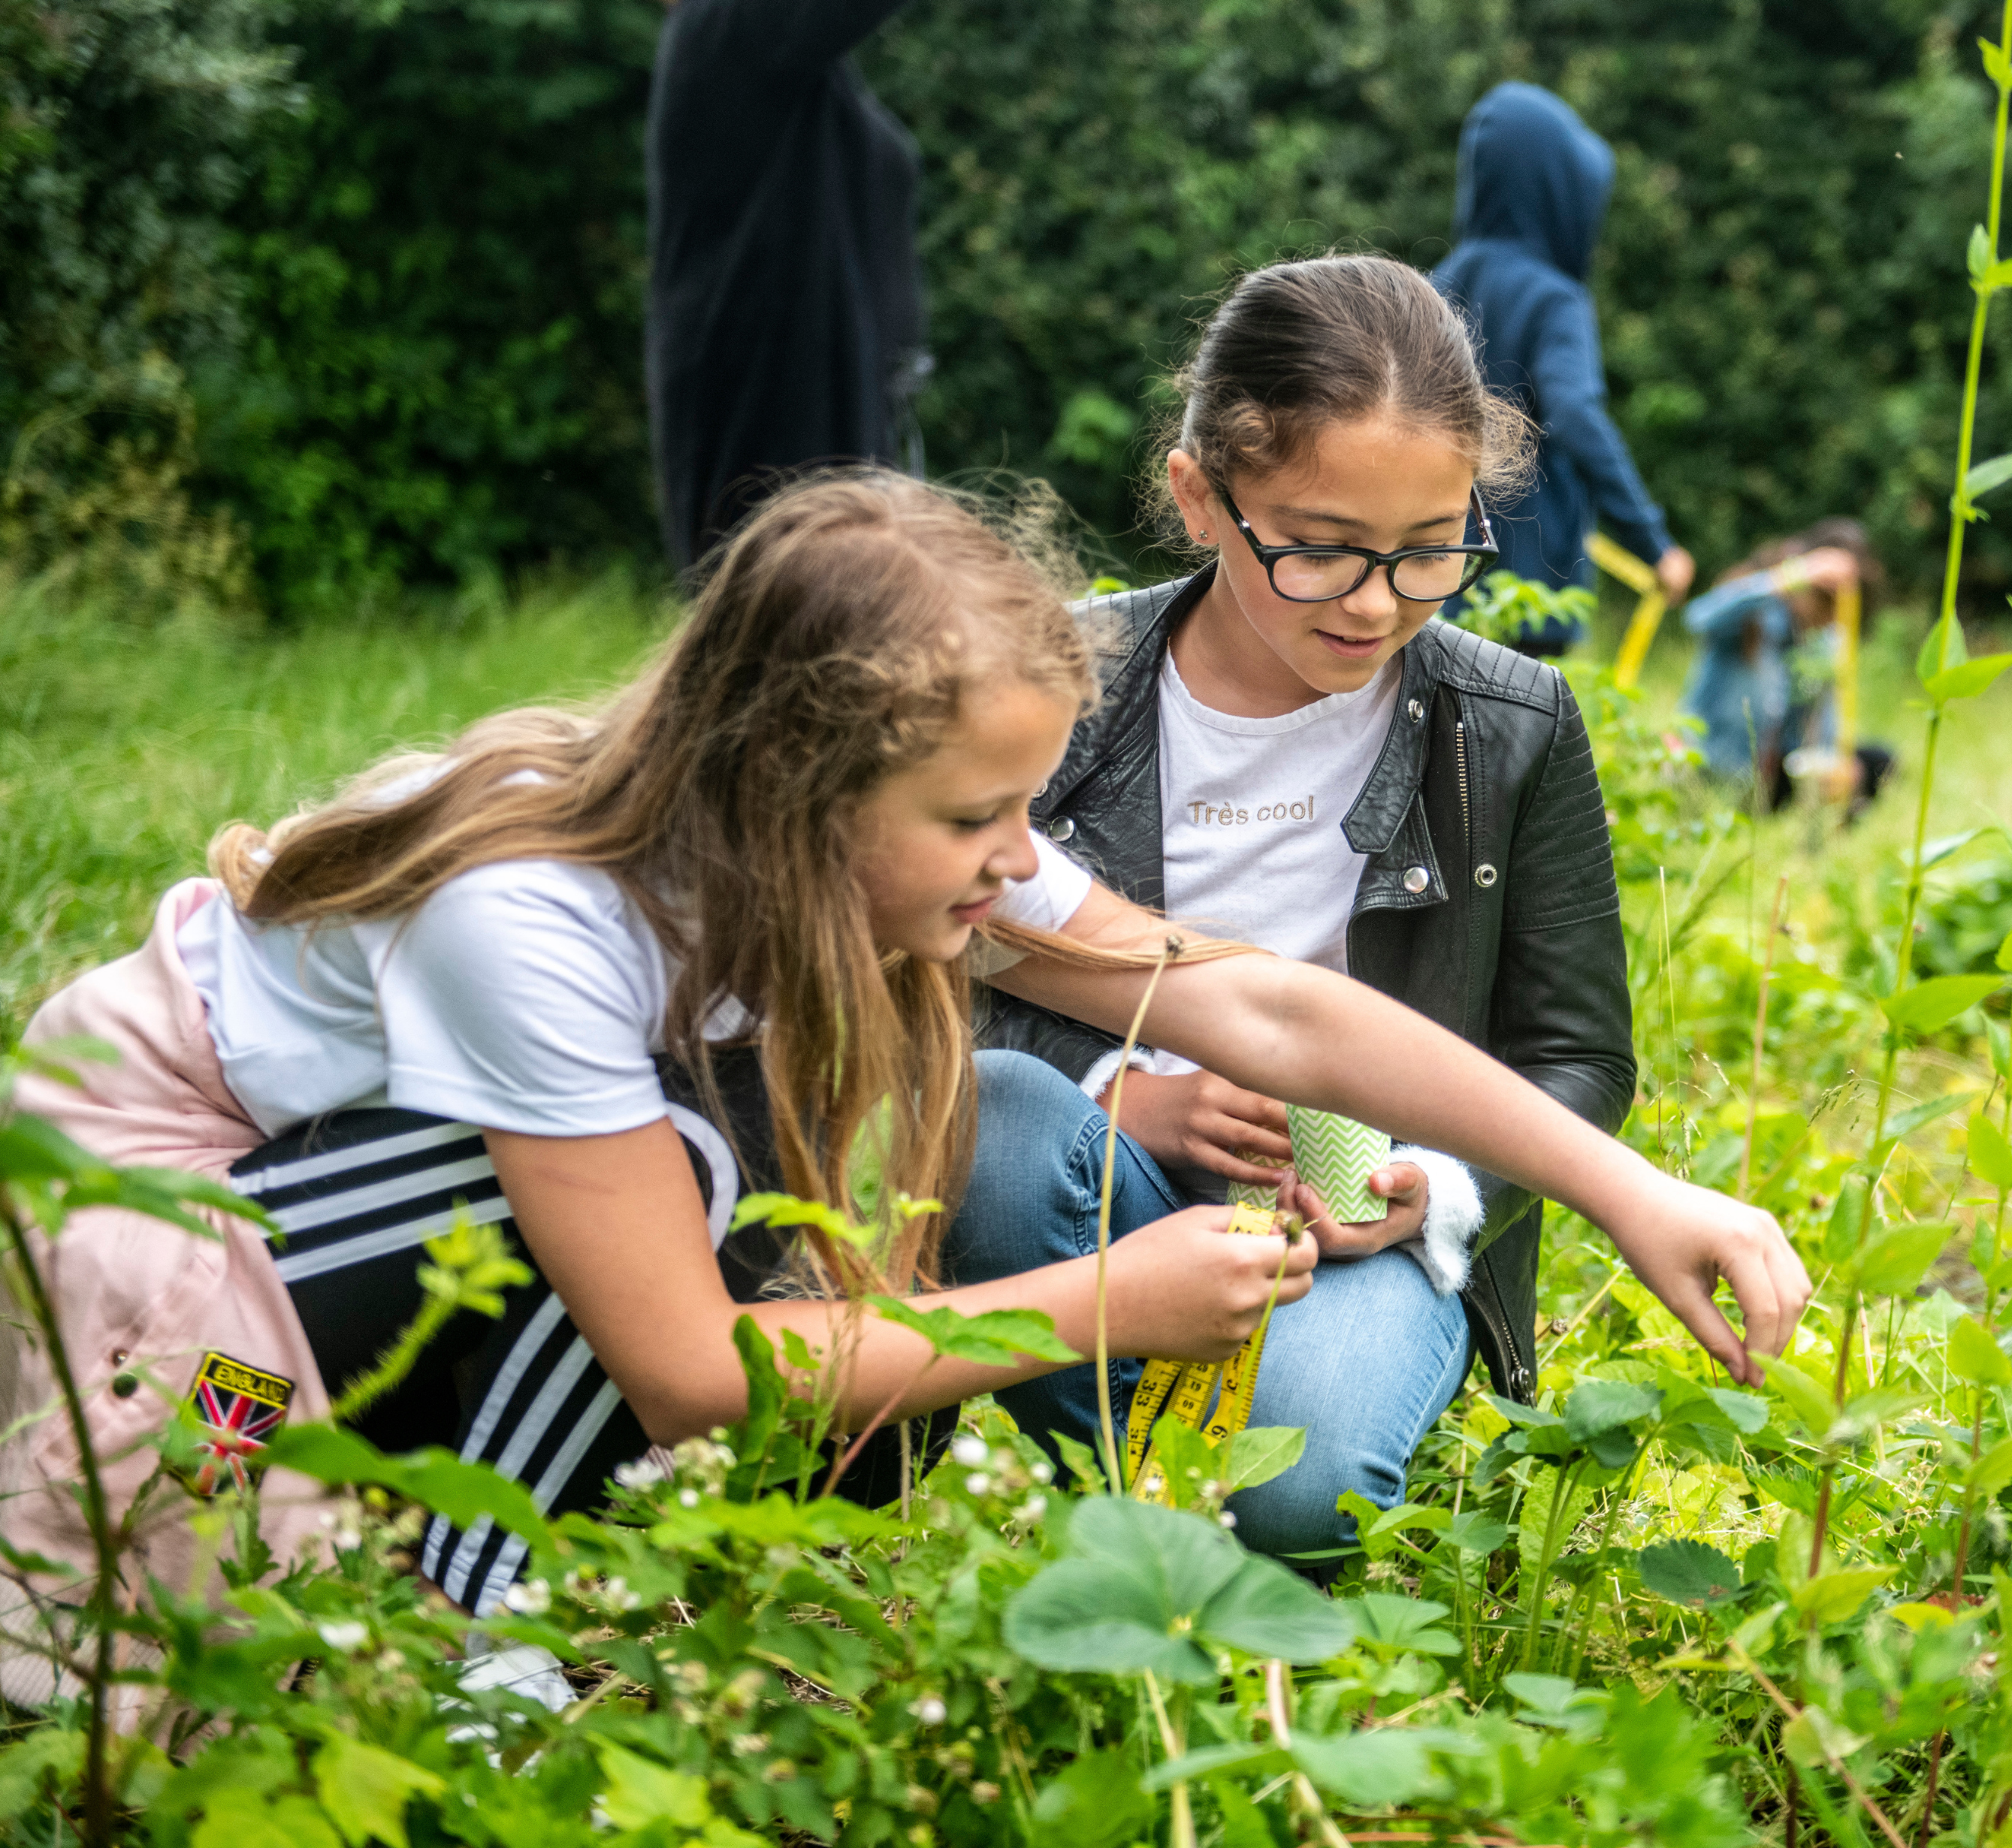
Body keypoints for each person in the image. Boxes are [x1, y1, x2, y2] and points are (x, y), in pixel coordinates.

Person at [7, 473, 1806, 1626]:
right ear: (798, 783)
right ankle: (454, 1610)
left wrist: (1629, 1186)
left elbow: (1260, 999)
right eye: (979, 818)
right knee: (189, 1578)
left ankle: (484, 1585)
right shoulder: (534, 920)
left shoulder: (860, 843)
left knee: (739, 1152)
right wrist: (1104, 1296)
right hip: (173, 1209)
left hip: (390, 1190)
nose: (1025, 861)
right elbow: (696, 1372)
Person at [976, 254, 1633, 1553]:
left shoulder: (1510, 723)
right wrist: (1128, 1096)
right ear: (1200, 498)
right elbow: (915, 969)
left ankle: (1203, 1467)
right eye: (1323, 552)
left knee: (1288, 1490)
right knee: (995, 1122)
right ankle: (1156, 1465)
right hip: (1098, 1183)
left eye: (1433, 550)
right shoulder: (1047, 685)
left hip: (1356, 1240)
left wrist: (1433, 1186)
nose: (1380, 602)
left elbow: (1577, 1055)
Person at [648, 0, 932, 573]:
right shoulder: (723, 33)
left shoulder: (801, 73)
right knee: (797, 639)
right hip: (772, 422)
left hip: (834, 410)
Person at [1430, 82, 1693, 657]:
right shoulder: (1553, 298)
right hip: (1527, 590)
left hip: (1428, 576)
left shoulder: (1429, 289)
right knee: (1512, 741)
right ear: (1559, 191)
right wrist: (1654, 545)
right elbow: (1573, 413)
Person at [1677, 518, 1894, 817]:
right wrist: (1791, 575)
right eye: (1826, 599)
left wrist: (1837, 763)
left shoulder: (1824, 641)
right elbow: (1697, 617)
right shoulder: (1756, 611)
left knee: (1878, 761)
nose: (1831, 614)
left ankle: (1818, 847)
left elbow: (1823, 718)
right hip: (1723, 765)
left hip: (1777, 771)